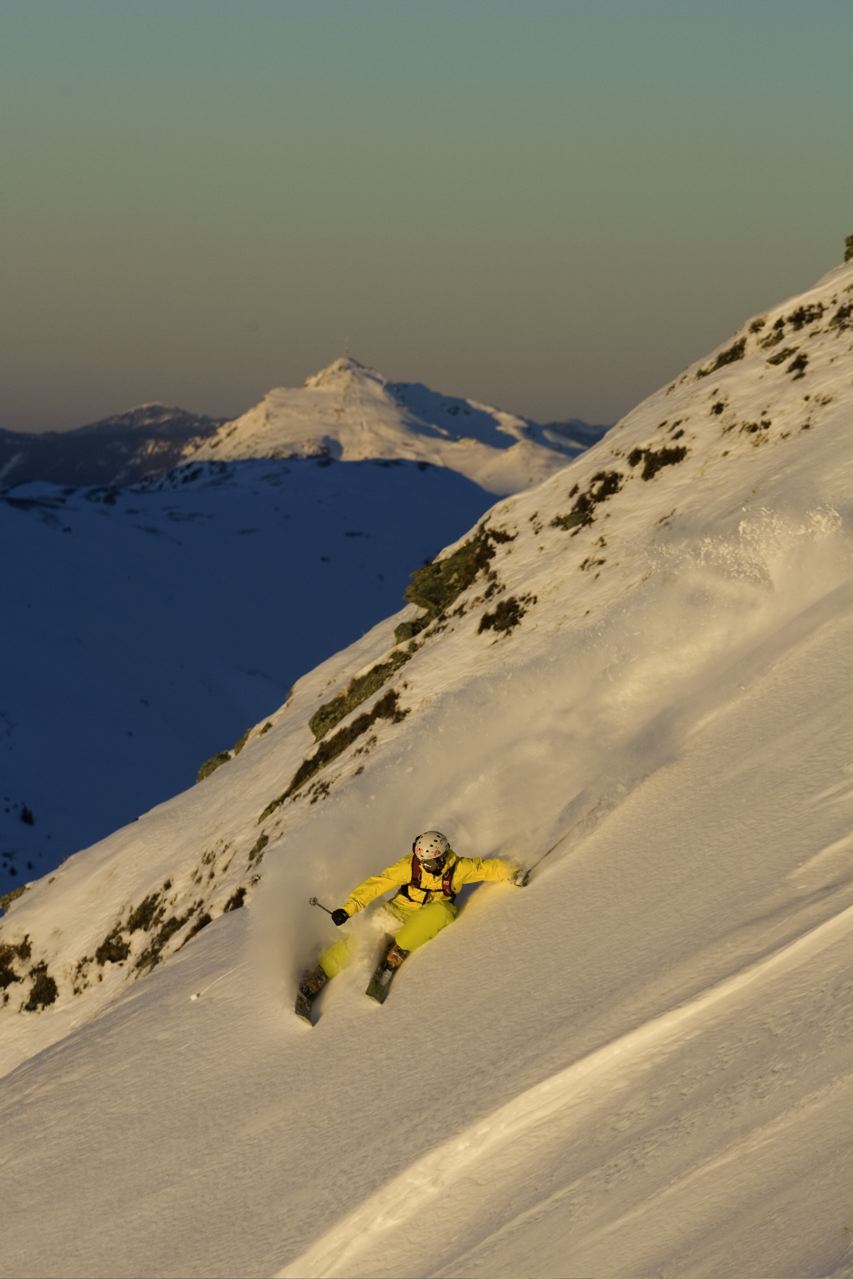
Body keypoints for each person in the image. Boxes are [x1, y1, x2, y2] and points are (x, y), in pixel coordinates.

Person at [297, 831, 529, 1016]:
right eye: (425, 861)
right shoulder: (411, 866)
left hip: (426, 915)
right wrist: (348, 909)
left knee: (442, 911)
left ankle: (395, 953)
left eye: (433, 860)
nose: (429, 865)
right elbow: (378, 884)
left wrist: (512, 874)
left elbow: (488, 868)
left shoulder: (458, 868)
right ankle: (319, 974)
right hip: (397, 911)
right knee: (361, 940)